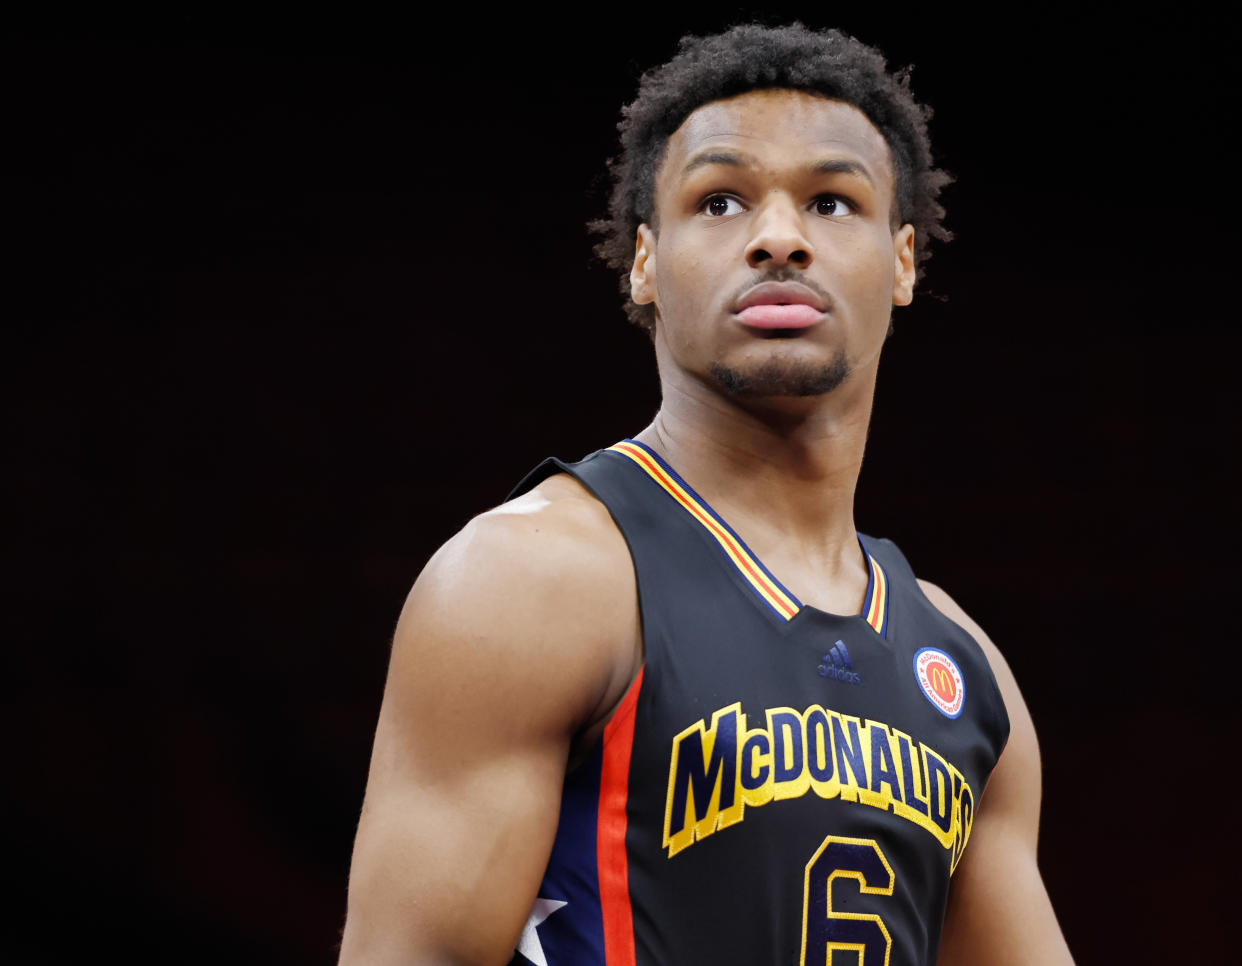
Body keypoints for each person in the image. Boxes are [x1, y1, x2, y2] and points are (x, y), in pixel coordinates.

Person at [339, 23, 1074, 965]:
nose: (778, 239)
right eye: (720, 200)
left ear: (902, 262)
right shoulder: (529, 580)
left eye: (832, 202)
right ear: (646, 259)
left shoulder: (964, 668)